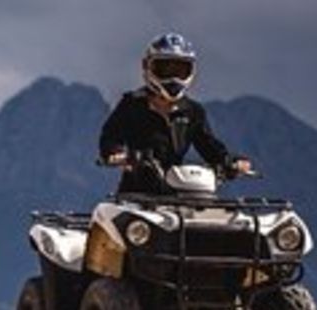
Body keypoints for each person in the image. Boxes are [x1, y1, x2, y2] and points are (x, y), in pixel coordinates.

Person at [99, 33, 251, 195]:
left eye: (180, 70)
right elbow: (110, 136)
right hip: (136, 193)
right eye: (165, 69)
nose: (173, 78)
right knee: (120, 217)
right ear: (147, 66)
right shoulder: (132, 105)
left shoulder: (193, 111)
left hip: (181, 192)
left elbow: (209, 146)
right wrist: (115, 154)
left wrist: (231, 162)